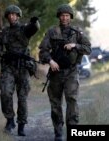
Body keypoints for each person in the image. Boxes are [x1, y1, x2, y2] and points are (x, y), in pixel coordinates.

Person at [38, 4, 91, 141]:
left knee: (72, 100)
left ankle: (73, 130)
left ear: (71, 17)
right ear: (59, 17)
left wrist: (75, 45)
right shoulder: (52, 32)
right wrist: (50, 61)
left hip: (71, 71)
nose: (64, 18)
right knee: (55, 103)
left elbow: (88, 49)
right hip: (56, 71)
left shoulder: (77, 32)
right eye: (62, 15)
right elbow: (43, 51)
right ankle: (58, 132)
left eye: (67, 15)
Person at [0, 5, 40, 136]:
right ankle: (10, 119)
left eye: (14, 14)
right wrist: (4, 54)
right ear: (7, 17)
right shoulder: (4, 32)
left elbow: (34, 28)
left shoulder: (24, 30)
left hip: (23, 67)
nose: (12, 17)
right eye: (9, 15)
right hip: (8, 68)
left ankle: (21, 124)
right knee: (5, 93)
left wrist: (35, 22)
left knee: (22, 98)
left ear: (18, 16)